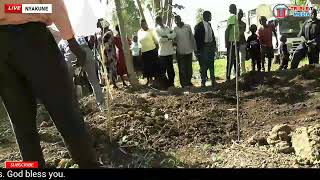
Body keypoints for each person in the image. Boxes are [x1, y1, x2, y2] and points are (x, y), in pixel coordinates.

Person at [0, 0, 99, 168]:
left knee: (21, 123)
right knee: (65, 111)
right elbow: (50, 4)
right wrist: (71, 41)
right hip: (33, 39)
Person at [58, 36, 105, 109]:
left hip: (71, 52)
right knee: (94, 81)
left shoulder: (61, 41)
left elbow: (60, 57)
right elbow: (90, 41)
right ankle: (102, 105)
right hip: (87, 50)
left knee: (67, 82)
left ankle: (70, 107)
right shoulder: (80, 35)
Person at [194, 11, 217, 87]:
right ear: (206, 16)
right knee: (204, 65)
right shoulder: (199, 26)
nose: (211, 17)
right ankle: (203, 81)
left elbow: (212, 36)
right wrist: (197, 50)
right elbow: (196, 38)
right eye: (210, 16)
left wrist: (214, 46)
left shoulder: (209, 25)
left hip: (211, 46)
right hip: (203, 47)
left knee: (211, 64)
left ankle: (213, 80)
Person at [174, 15, 197, 88]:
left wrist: (194, 48)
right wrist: (174, 51)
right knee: (182, 69)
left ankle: (188, 82)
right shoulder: (174, 29)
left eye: (177, 20)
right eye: (175, 20)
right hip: (180, 52)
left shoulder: (188, 27)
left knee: (189, 68)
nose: (176, 21)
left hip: (189, 50)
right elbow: (173, 41)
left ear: (180, 19)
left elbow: (192, 38)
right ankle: (183, 84)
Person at [155, 16, 176, 87]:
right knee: (163, 71)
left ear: (161, 20)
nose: (159, 21)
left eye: (160, 20)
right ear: (156, 22)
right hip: (162, 53)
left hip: (169, 52)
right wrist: (169, 37)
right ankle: (164, 85)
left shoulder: (167, 27)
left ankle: (171, 84)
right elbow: (160, 40)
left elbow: (174, 34)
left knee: (171, 70)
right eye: (158, 21)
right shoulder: (156, 30)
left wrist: (165, 36)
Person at [137, 19, 159, 85]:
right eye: (141, 24)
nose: (143, 25)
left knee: (154, 66)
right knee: (147, 67)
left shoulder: (151, 30)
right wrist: (139, 52)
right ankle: (149, 80)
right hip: (144, 52)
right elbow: (139, 43)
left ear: (146, 24)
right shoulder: (139, 32)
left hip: (152, 51)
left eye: (144, 24)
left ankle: (155, 80)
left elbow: (155, 41)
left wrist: (157, 50)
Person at [225, 4, 240, 80]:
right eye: (233, 8)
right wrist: (226, 41)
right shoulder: (232, 17)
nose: (235, 9)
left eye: (235, 8)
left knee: (235, 59)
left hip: (235, 41)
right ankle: (228, 76)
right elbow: (227, 30)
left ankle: (237, 75)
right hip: (231, 41)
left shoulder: (235, 17)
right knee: (230, 60)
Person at [238, 9, 247, 74]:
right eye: (239, 14)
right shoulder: (234, 23)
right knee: (235, 58)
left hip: (242, 41)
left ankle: (243, 72)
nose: (240, 15)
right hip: (235, 42)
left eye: (241, 14)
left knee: (242, 58)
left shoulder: (244, 24)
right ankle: (236, 72)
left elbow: (241, 32)